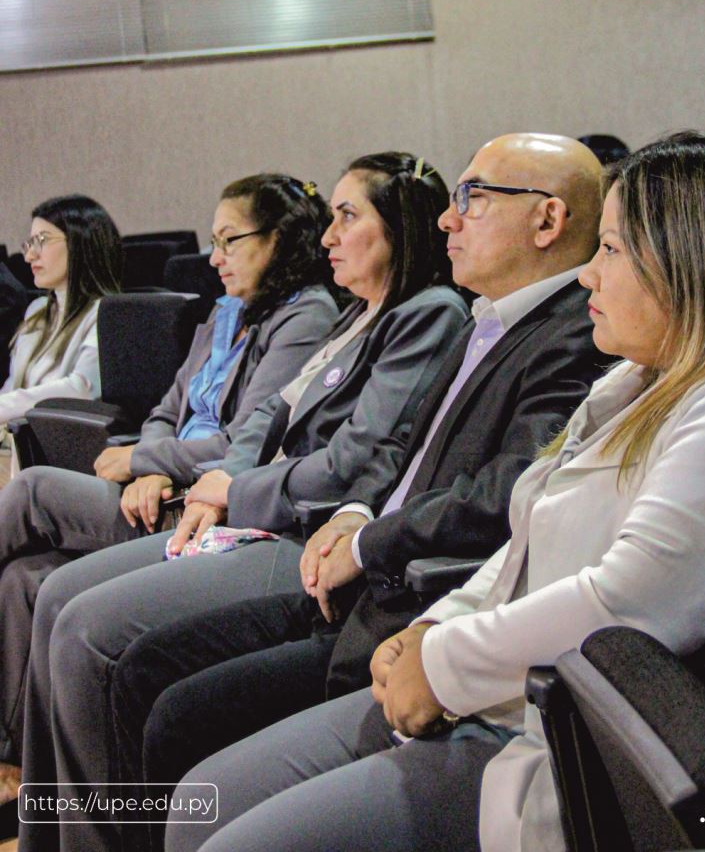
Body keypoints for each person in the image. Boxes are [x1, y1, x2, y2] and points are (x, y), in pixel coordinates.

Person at [160, 131, 705, 852]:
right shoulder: (634, 382)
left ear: (690, 262)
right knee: (207, 798)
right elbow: (525, 535)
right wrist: (430, 632)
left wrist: (442, 664)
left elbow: (623, 603)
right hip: (476, 671)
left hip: (553, 738)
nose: (588, 278)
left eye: (610, 250)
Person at [106, 132, 614, 847]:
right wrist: (352, 515)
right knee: (145, 674)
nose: (448, 218)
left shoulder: (566, 335)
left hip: (403, 600)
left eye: (472, 197)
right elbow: (396, 449)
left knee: (178, 720)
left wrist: (365, 537)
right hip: (353, 567)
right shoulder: (482, 317)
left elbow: (510, 489)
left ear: (547, 221)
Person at [18, 152, 468, 852]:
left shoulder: (425, 314)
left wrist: (236, 489)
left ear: (400, 230)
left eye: (348, 217)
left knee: (84, 627)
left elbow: (358, 459)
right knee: (61, 600)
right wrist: (215, 483)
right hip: (250, 510)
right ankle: (50, 836)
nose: (328, 237)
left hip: (302, 531)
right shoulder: (355, 313)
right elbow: (265, 421)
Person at [0, 173, 338, 806]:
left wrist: (150, 461)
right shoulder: (224, 311)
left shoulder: (306, 316)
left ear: (280, 240)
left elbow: (244, 444)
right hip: (162, 482)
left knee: (34, 490)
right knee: (28, 577)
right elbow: (168, 407)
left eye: (230, 241)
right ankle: (25, 783)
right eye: (213, 241)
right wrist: (149, 459)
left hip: (200, 505)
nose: (215, 258)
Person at [0, 195, 121, 432]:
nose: (30, 256)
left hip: (63, 446)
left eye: (42, 240)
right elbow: (12, 388)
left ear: (80, 242)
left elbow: (81, 389)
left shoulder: (108, 315)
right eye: (29, 244)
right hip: (16, 442)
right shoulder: (36, 313)